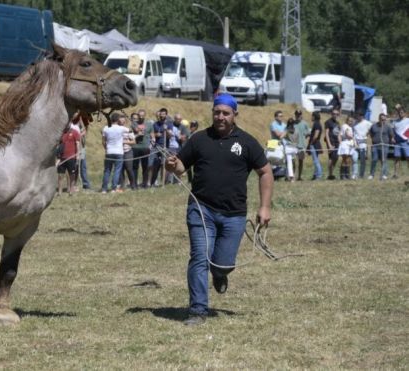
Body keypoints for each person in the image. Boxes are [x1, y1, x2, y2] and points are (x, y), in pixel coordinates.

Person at [165, 93, 273, 326]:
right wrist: (172, 165)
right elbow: (181, 167)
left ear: (235, 115)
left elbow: (265, 172)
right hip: (201, 209)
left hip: (234, 215)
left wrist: (264, 207)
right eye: (217, 112)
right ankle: (198, 310)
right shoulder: (199, 139)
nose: (220, 117)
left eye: (225, 113)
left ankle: (220, 274)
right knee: (199, 257)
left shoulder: (246, 142)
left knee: (223, 264)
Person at [101, 112, 128, 193]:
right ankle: (113, 188)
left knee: (107, 171)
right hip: (119, 152)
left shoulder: (105, 128)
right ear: (118, 119)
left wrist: (106, 148)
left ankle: (104, 189)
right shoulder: (121, 128)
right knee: (117, 171)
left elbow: (103, 141)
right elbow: (131, 130)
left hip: (109, 151)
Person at [56, 123, 80, 195]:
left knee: (71, 174)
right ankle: (59, 191)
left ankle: (71, 190)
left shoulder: (75, 132)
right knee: (60, 175)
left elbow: (77, 143)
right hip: (62, 157)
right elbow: (59, 145)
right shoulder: (62, 133)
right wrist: (58, 155)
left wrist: (77, 154)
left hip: (71, 157)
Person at [368, 113, 393, 180]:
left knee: (384, 160)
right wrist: (373, 140)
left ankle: (384, 174)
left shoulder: (388, 126)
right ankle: (371, 174)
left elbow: (391, 135)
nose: (383, 121)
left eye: (384, 119)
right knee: (374, 159)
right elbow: (370, 133)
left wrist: (391, 140)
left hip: (384, 146)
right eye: (382, 119)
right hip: (375, 146)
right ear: (379, 119)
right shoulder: (374, 126)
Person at [130, 111, 152, 188]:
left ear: (145, 115)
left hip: (145, 148)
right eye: (139, 115)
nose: (141, 117)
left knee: (145, 166)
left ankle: (145, 184)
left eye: (143, 115)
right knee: (135, 167)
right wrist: (139, 130)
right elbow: (136, 130)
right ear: (138, 116)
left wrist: (153, 140)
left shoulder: (149, 124)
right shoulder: (134, 123)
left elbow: (152, 134)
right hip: (136, 147)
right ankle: (134, 184)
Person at [351, 112, 372, 180]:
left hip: (363, 143)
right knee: (354, 159)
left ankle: (361, 174)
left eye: (359, 115)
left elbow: (371, 130)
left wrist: (368, 136)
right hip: (355, 143)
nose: (358, 117)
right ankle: (354, 174)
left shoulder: (367, 123)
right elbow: (353, 133)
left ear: (362, 116)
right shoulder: (354, 123)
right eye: (357, 115)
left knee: (363, 160)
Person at [291, 110, 311, 181]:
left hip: (302, 145)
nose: (298, 116)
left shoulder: (305, 123)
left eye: (299, 115)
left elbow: (309, 133)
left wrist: (306, 138)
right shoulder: (292, 123)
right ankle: (292, 176)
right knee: (293, 161)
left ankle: (299, 176)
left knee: (301, 161)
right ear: (295, 115)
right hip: (293, 145)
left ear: (301, 115)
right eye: (297, 115)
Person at [391, 104, 409, 179]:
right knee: (397, 158)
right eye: (399, 113)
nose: (400, 114)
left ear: (405, 113)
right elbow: (392, 131)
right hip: (397, 143)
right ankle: (395, 174)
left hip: (406, 142)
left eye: (402, 112)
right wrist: (392, 137)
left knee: (408, 158)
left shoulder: (408, 120)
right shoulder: (395, 122)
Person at [119, 114, 136, 190]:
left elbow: (133, 142)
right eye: (120, 120)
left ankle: (133, 185)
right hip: (119, 152)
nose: (122, 121)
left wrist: (124, 141)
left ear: (125, 121)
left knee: (129, 169)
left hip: (128, 151)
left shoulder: (128, 130)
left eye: (123, 120)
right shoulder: (116, 130)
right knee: (120, 169)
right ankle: (122, 186)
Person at [324, 109, 341, 180]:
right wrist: (329, 144)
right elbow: (326, 134)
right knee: (331, 157)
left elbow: (338, 134)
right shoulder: (328, 122)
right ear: (331, 114)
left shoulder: (337, 123)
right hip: (331, 142)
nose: (335, 115)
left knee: (336, 158)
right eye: (334, 113)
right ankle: (330, 174)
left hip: (337, 142)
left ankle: (331, 173)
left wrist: (341, 143)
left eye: (337, 114)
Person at [308, 111, 323, 180]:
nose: (311, 117)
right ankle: (315, 174)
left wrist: (311, 143)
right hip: (316, 143)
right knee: (316, 159)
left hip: (314, 144)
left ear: (314, 116)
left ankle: (319, 175)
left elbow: (316, 135)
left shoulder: (316, 124)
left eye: (312, 116)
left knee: (316, 160)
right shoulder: (318, 123)